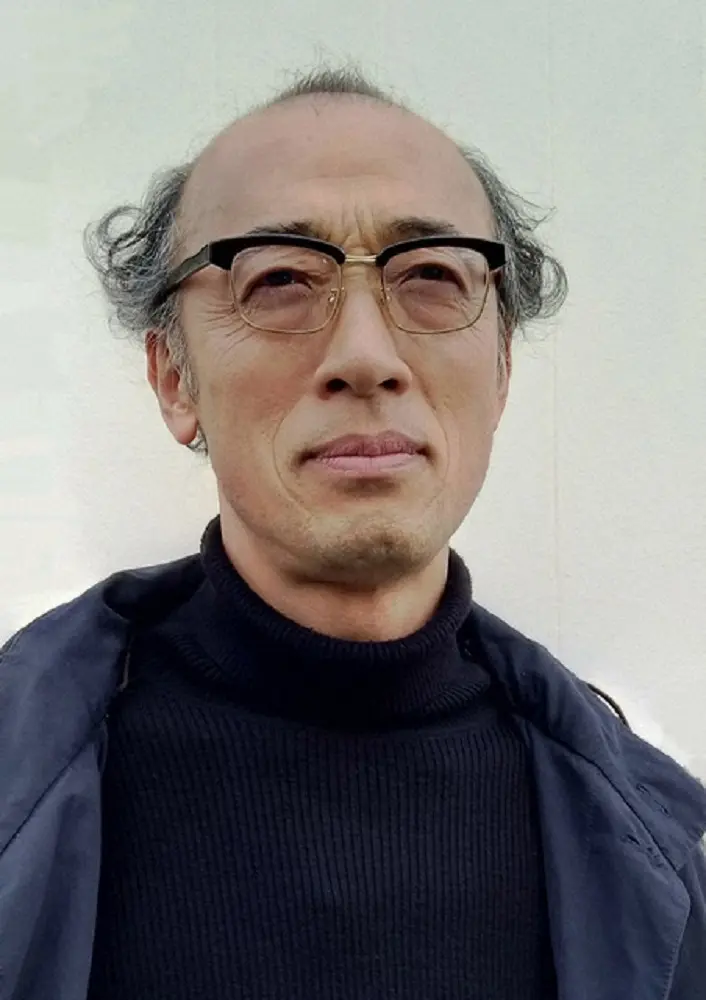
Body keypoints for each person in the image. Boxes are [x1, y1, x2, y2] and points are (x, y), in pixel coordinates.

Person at [1, 68, 704, 1000]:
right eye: (280, 280)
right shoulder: (19, 791)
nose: (366, 357)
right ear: (173, 377)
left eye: (432, 276)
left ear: (501, 366)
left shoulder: (670, 857)